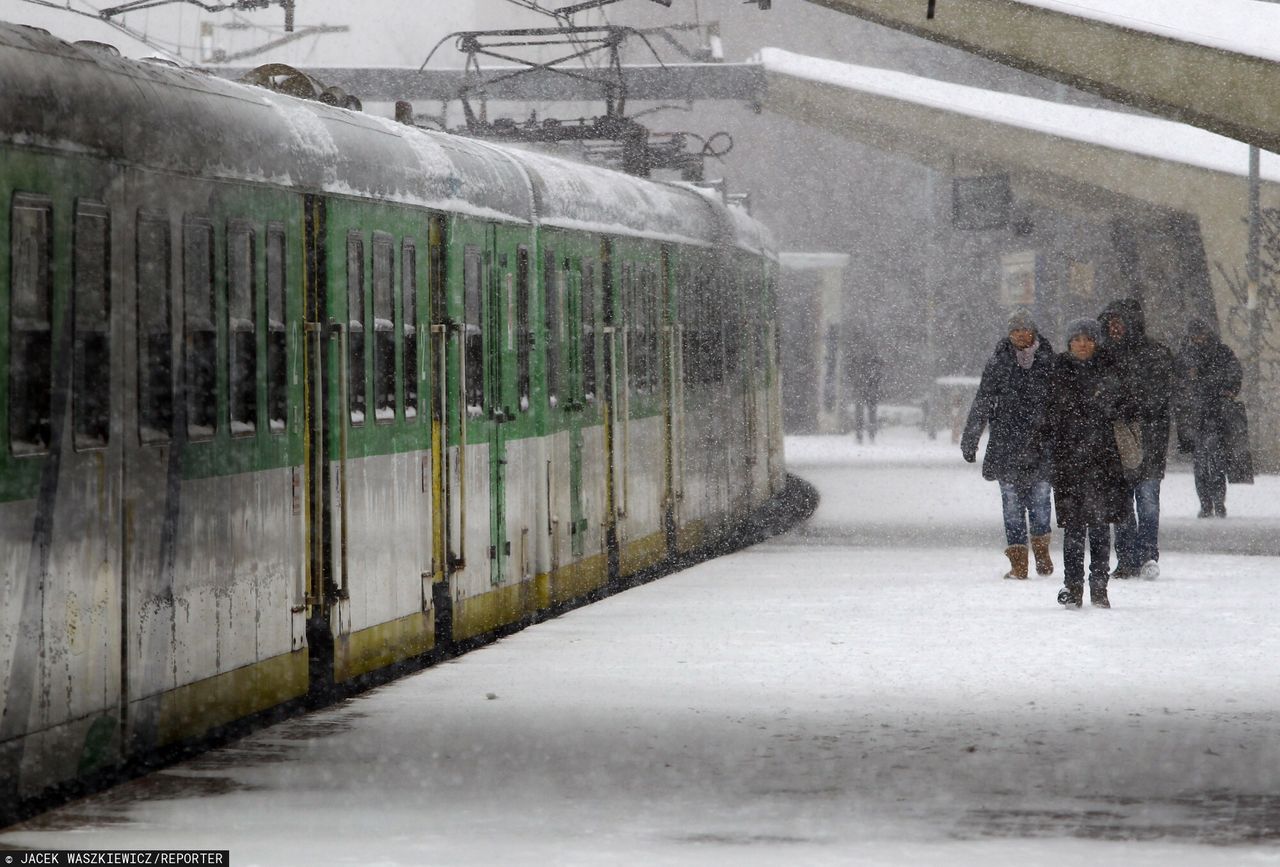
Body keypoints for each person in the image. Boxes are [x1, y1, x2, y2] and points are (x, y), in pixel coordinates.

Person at [1043, 318, 1132, 608]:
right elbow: (1046, 416)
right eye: (1077, 338)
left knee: (1099, 526)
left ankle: (1099, 586)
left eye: (1088, 338)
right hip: (1068, 462)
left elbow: (1128, 406)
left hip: (1103, 462)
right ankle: (1072, 585)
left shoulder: (1111, 370)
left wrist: (1106, 403)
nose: (1083, 344)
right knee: (1073, 529)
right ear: (1069, 342)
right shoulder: (1057, 371)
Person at [961, 308, 1055, 580]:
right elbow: (983, 401)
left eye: (1024, 329)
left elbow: (1062, 403)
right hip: (1006, 446)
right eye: (1015, 330)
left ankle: (1041, 551)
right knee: (1011, 506)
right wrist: (971, 438)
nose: (1020, 335)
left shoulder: (1049, 361)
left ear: (1033, 332)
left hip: (1041, 444)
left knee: (1040, 503)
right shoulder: (998, 363)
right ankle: (1019, 563)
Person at [1095, 299, 1175, 580]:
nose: (1115, 328)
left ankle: (1148, 554)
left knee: (1148, 500)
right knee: (1122, 503)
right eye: (1111, 323)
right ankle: (1127, 558)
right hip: (1116, 440)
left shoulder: (1155, 354)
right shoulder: (1101, 356)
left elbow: (1164, 393)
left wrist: (1134, 405)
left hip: (1150, 439)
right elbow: (1096, 394)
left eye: (1120, 322)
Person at [1175, 318, 1243, 518]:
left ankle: (1217, 503)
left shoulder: (1220, 353)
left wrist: (1226, 390)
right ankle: (1206, 504)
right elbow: (1178, 378)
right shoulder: (1186, 355)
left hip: (1215, 413)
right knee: (1201, 463)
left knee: (1215, 461)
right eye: (1195, 335)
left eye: (1201, 334)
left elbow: (1234, 373)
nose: (1198, 339)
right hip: (1196, 415)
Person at [846, 340, 883, 444]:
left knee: (860, 413)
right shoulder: (875, 360)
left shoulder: (857, 359)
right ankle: (870, 435)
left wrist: (855, 382)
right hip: (871, 389)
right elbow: (879, 374)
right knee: (871, 413)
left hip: (862, 388)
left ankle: (860, 435)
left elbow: (851, 371)